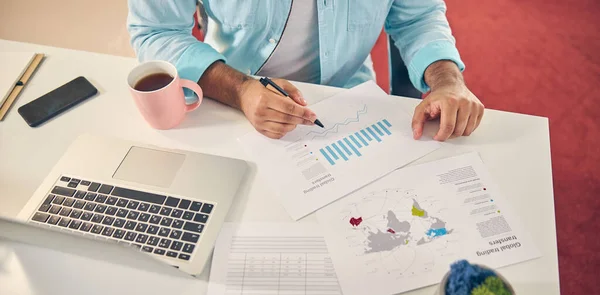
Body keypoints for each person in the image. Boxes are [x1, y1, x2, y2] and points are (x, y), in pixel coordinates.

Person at [127, 0, 484, 140]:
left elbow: (418, 16)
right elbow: (154, 30)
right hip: (224, 98)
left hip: (348, 97)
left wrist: (448, 81)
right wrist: (241, 90)